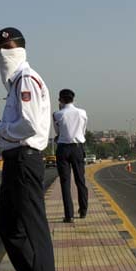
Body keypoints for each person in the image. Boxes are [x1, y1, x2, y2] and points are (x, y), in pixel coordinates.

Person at [0, 27, 56, 271]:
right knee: (8, 226)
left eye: (6, 50)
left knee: (32, 230)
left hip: (25, 159)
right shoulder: (17, 83)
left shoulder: (26, 79)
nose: (2, 56)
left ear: (17, 51)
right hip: (15, 161)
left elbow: (28, 125)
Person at [53, 89, 89, 222]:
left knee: (65, 182)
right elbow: (83, 131)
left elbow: (57, 132)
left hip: (63, 148)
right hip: (77, 148)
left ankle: (69, 215)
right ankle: (83, 210)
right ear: (73, 99)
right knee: (80, 180)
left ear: (61, 100)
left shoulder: (57, 114)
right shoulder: (82, 113)